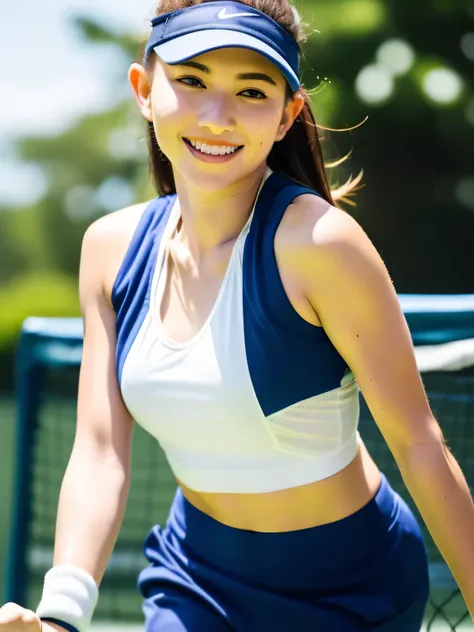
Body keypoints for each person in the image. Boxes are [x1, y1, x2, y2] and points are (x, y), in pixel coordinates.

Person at [1, 0, 474, 630]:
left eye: (251, 91)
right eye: (192, 80)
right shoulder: (107, 250)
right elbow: (98, 450)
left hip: (352, 588)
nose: (217, 117)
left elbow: (418, 442)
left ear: (287, 115)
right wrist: (61, 613)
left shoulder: (320, 244)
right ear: (144, 90)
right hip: (194, 578)